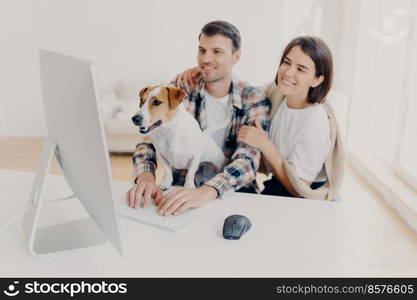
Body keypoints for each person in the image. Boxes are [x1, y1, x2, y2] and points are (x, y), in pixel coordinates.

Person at [127, 20, 270, 215]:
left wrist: (207, 191)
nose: (206, 59)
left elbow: (248, 160)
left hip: (232, 193)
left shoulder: (253, 98)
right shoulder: (181, 86)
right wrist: (146, 177)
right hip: (180, 193)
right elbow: (150, 136)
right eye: (202, 50)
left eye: (217, 52)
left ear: (236, 56)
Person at [177, 36, 345, 200]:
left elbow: (300, 189)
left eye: (301, 69)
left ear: (317, 80)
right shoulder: (277, 93)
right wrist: (202, 72)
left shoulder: (314, 123)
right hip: (278, 182)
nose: (288, 72)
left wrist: (265, 145)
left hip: (303, 194)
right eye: (287, 62)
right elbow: (245, 92)